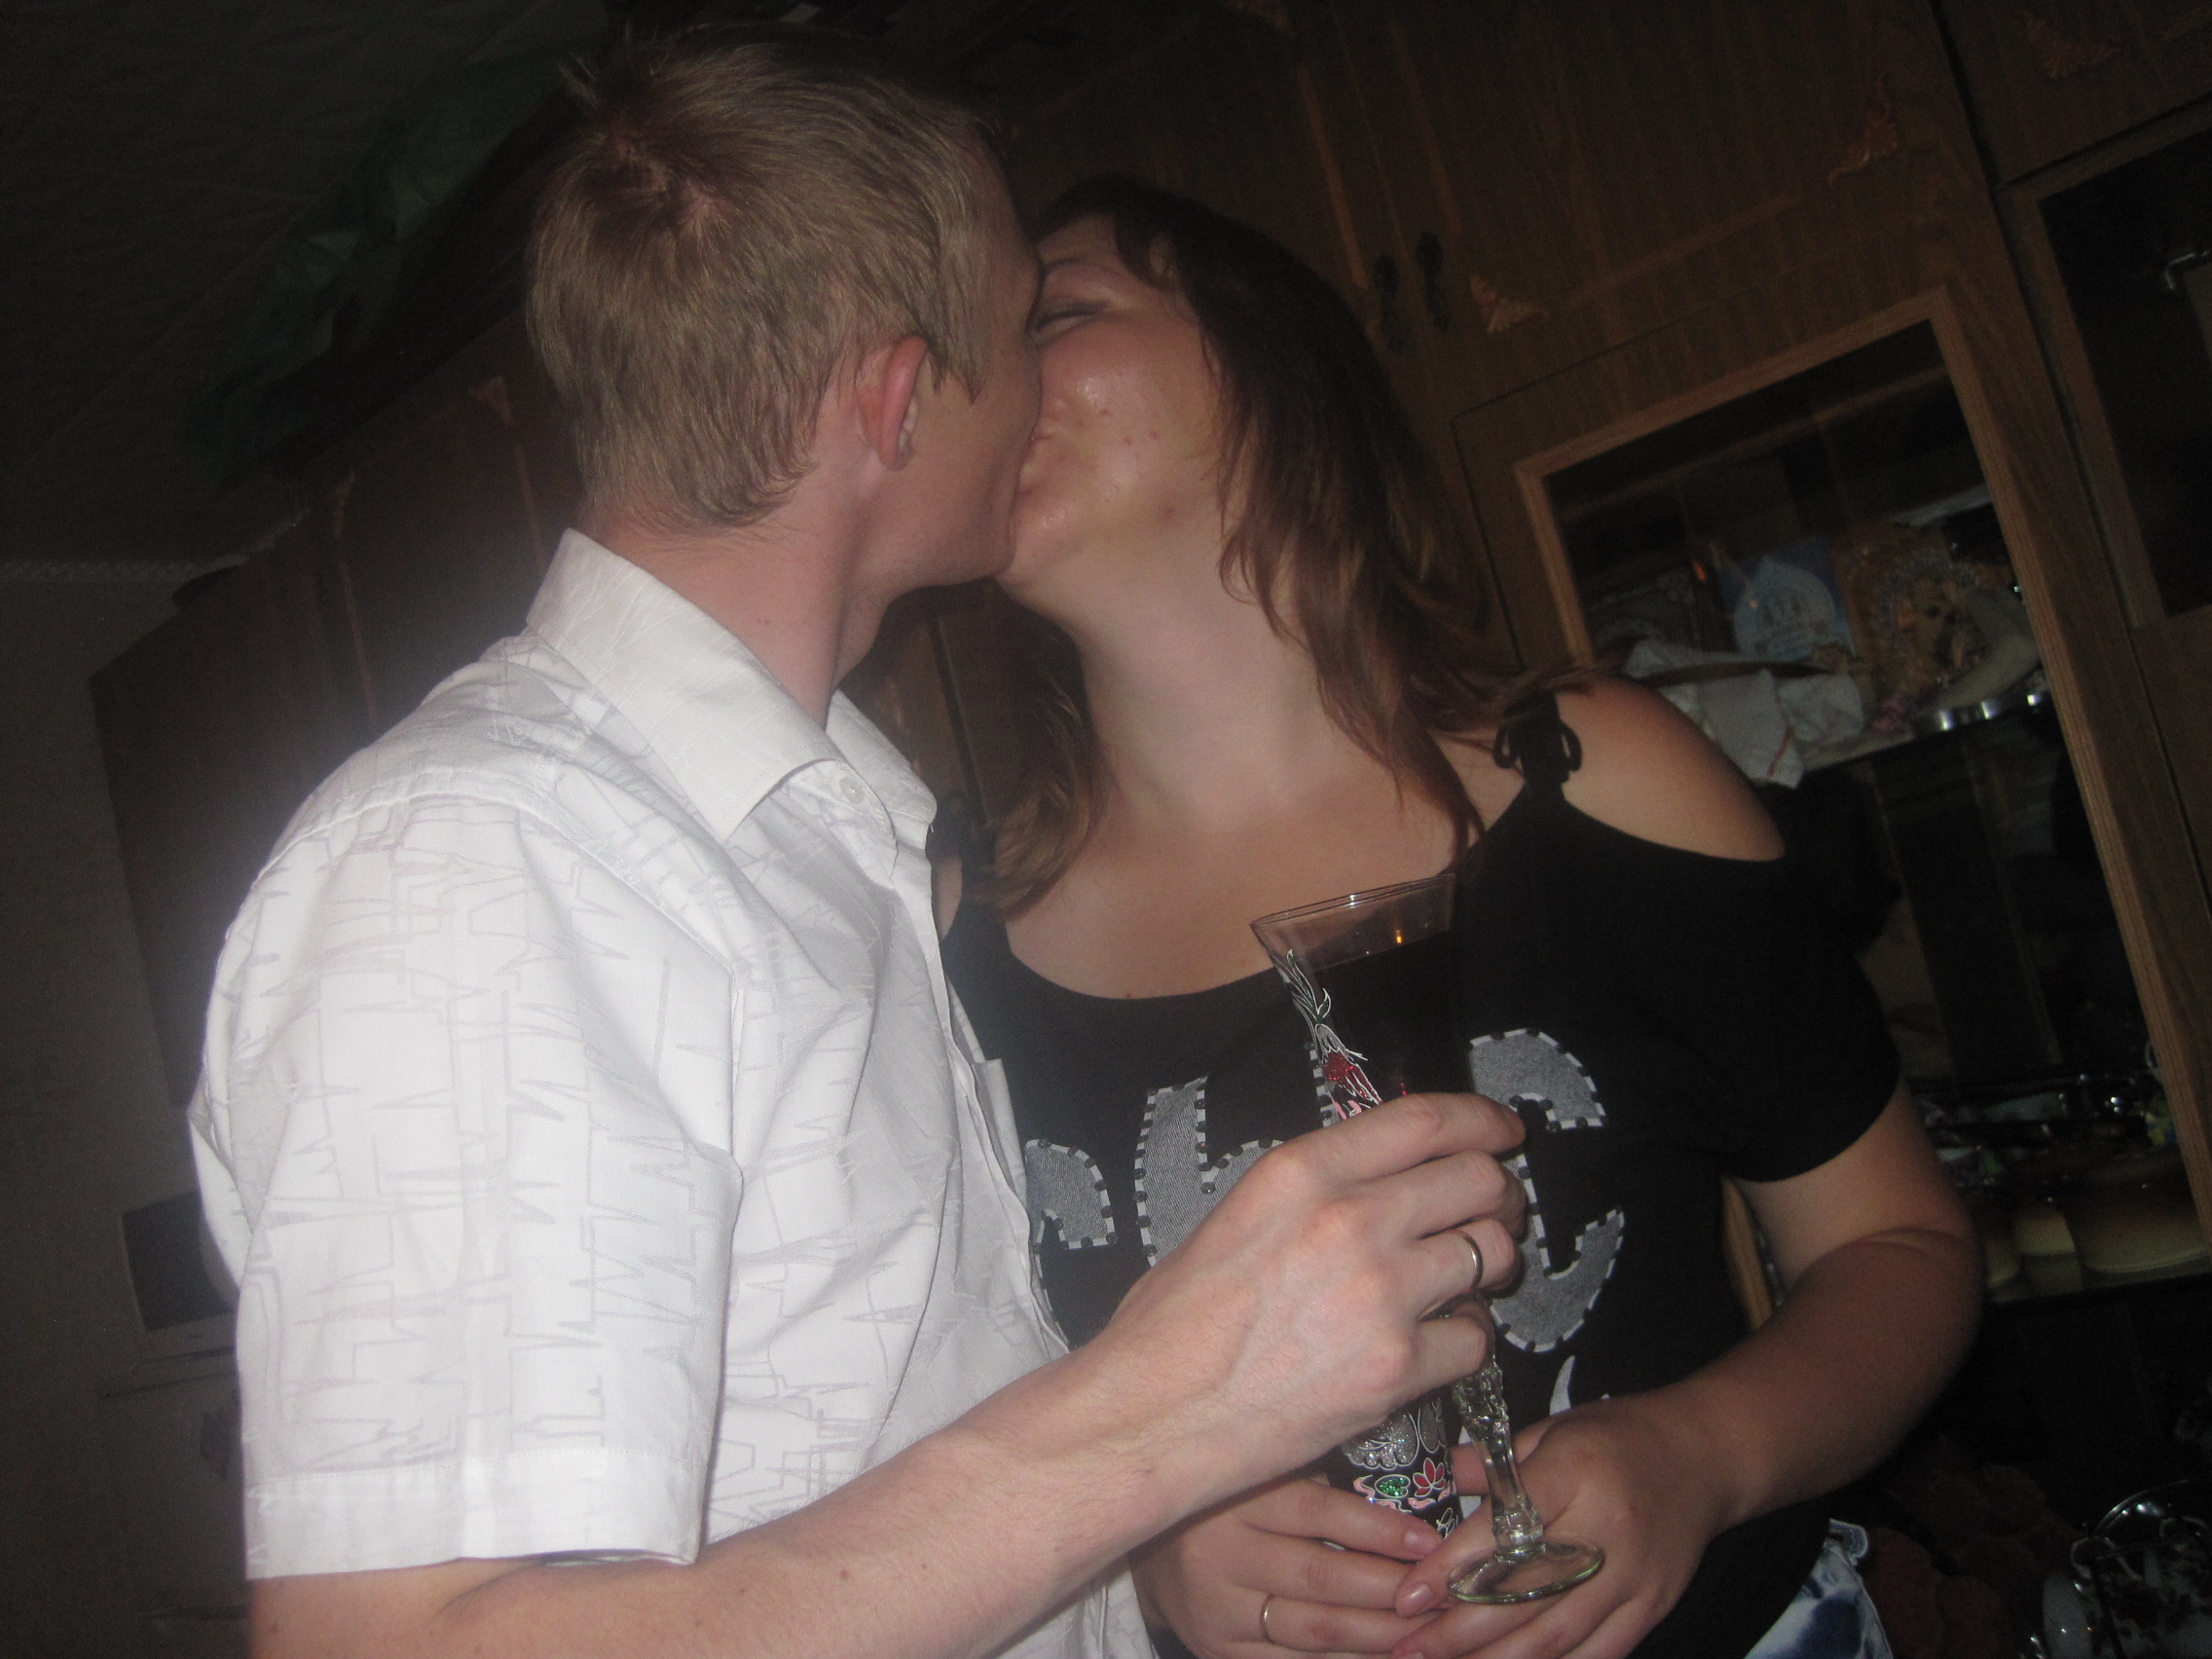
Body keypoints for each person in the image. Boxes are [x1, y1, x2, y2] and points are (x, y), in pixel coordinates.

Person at [187, 33, 1531, 1659]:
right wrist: (1169, 1409)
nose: (1038, 388)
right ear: (899, 403)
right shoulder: (481, 865)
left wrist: (1141, 1564)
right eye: (1019, 330)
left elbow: (863, 1471)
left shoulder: (815, 841)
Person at [941, 177, 1982, 1659]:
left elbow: (1901, 1249)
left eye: (1055, 315)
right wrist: (1134, 1554)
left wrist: (1699, 1456)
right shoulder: (948, 941)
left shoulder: (1601, 783)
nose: (985, 374)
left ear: (1273, 369)